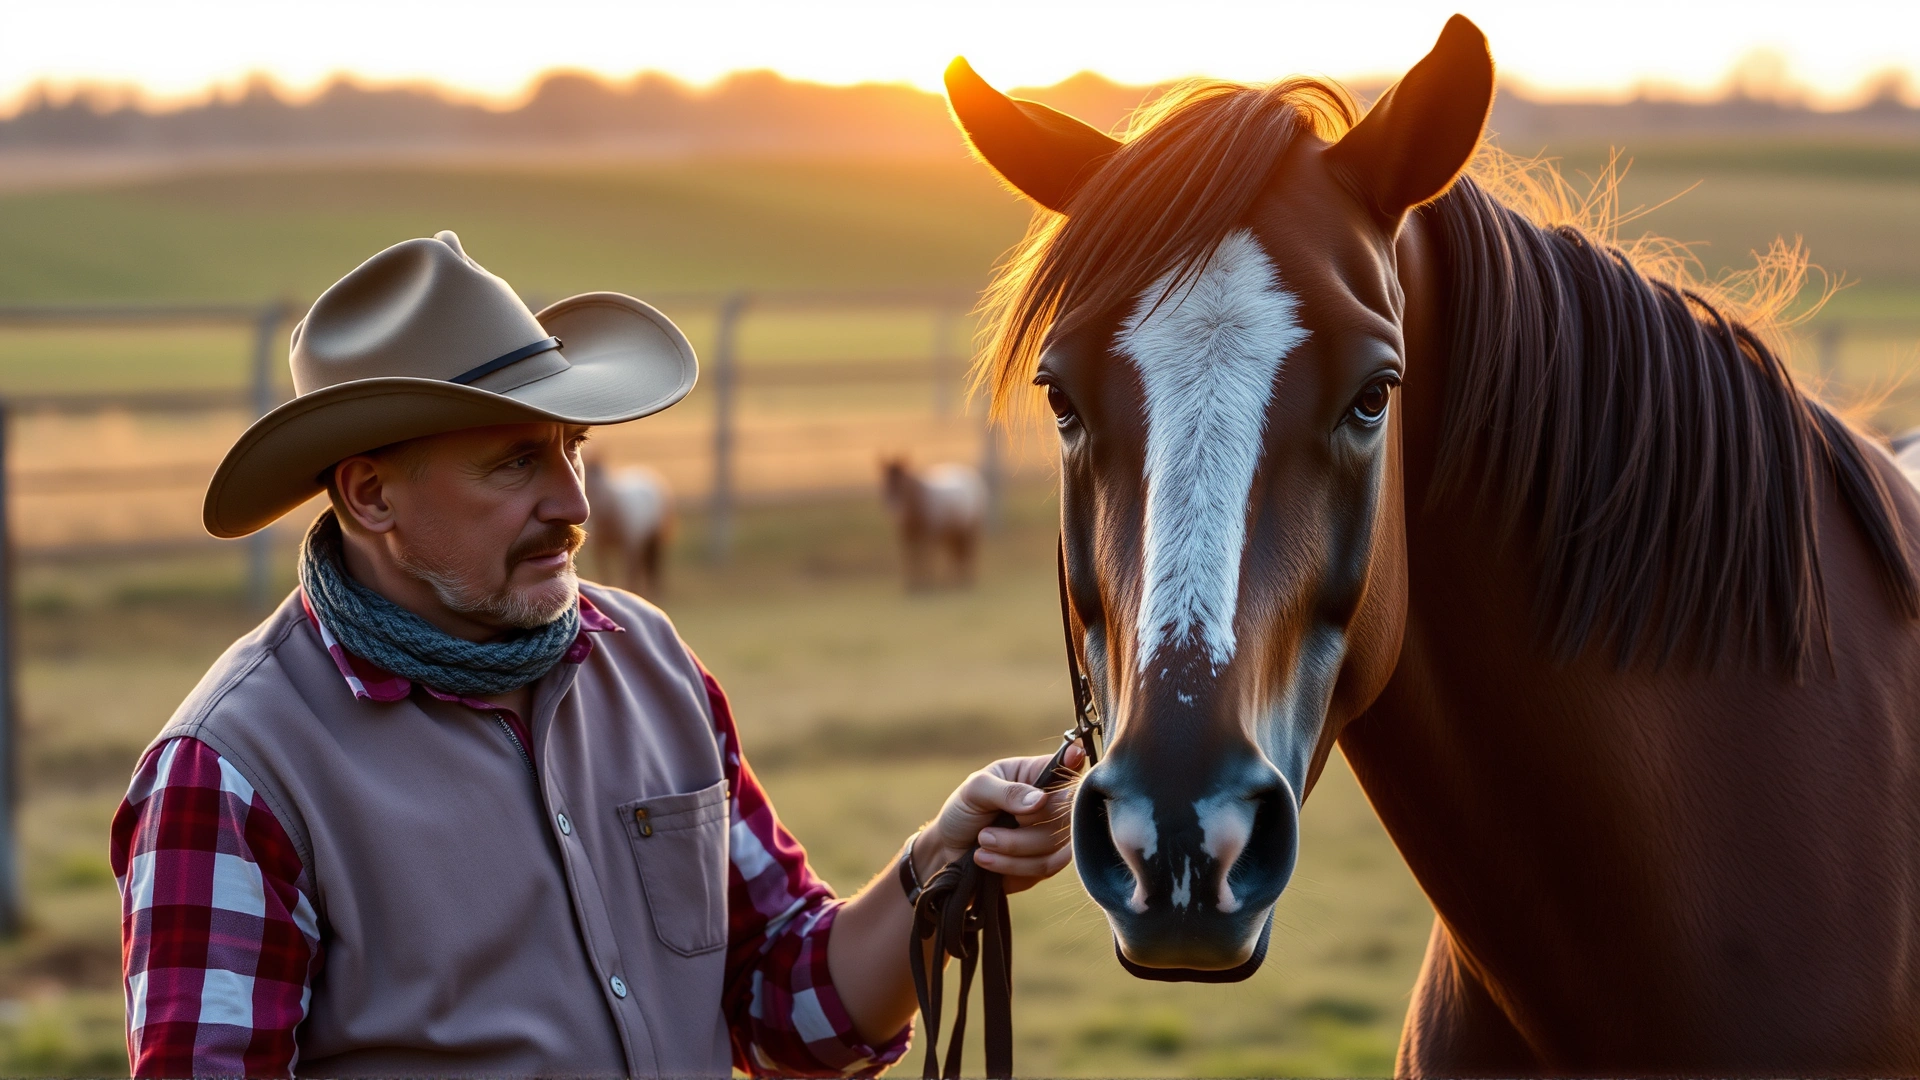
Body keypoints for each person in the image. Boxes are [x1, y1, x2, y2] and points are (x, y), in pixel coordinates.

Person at [109, 232, 1081, 1078]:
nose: (575, 503)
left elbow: (792, 1008)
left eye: (572, 448)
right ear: (371, 497)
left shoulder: (651, 664)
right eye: (515, 462)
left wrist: (939, 863)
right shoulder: (234, 772)